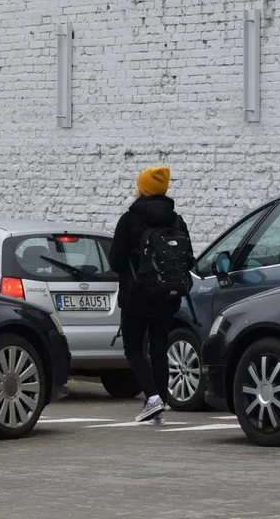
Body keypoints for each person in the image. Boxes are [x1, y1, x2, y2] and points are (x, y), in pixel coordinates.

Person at [108, 166, 194, 425]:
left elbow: (115, 260)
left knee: (133, 349)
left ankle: (153, 399)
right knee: (158, 349)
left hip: (136, 296)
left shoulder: (130, 219)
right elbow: (188, 260)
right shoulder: (176, 220)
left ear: (144, 188)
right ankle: (159, 404)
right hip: (168, 295)